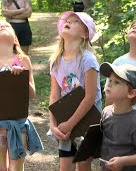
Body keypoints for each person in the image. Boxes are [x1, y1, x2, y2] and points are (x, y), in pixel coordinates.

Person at [0, 20, 43, 171]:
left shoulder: (23, 60)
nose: (2, 25)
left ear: (14, 39)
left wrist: (20, 78)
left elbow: (31, 95)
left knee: (16, 167)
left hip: (18, 125)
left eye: (7, 25)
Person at [48, 11, 102, 171]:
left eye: (75, 21)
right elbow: (54, 95)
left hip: (88, 119)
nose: (69, 22)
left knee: (83, 164)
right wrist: (53, 124)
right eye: (68, 20)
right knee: (65, 166)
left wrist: (70, 124)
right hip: (64, 119)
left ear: (85, 34)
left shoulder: (87, 59)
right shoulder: (56, 61)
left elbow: (91, 96)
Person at [99, 62, 136, 171]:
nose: (109, 84)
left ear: (131, 93)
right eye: (109, 80)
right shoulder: (106, 112)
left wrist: (123, 161)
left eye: (116, 82)